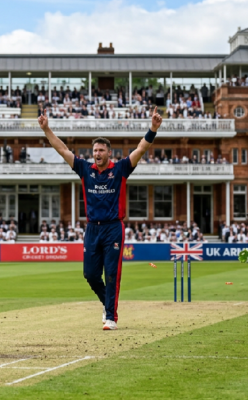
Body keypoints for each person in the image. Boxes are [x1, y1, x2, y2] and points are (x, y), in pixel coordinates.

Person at [39, 107, 162, 330]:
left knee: (112, 273)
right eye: (95, 150)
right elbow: (62, 150)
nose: (97, 153)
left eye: (101, 150)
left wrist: (152, 128)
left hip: (113, 227)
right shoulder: (85, 169)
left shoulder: (122, 168)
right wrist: (47, 129)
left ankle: (111, 317)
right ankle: (107, 306)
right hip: (92, 229)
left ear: (108, 153)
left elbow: (141, 149)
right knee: (90, 274)